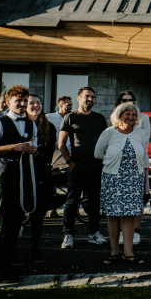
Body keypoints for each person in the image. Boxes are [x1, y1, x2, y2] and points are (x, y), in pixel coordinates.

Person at [0, 84, 37, 282]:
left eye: (25, 100)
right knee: (0, 221)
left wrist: (34, 150)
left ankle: (9, 262)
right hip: (4, 175)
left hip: (23, 176)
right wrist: (13, 147)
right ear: (8, 102)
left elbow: (34, 146)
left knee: (16, 219)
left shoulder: (31, 124)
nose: (22, 104)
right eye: (18, 100)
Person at [94, 101, 148, 265]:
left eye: (133, 115)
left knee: (129, 215)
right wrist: (113, 161)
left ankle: (128, 253)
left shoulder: (139, 133)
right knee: (113, 215)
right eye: (127, 114)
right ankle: (114, 253)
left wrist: (145, 181)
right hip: (113, 178)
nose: (131, 117)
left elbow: (144, 156)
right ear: (119, 115)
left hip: (133, 179)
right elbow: (98, 153)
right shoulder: (109, 132)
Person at [58, 87, 109, 248]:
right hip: (77, 166)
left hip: (96, 166)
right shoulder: (70, 117)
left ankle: (94, 233)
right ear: (79, 98)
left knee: (94, 201)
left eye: (93, 96)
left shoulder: (99, 118)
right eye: (87, 96)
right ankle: (68, 235)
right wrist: (70, 162)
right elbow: (61, 143)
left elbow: (106, 141)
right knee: (72, 201)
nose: (90, 99)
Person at [24, 94, 59, 264]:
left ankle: (35, 250)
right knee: (16, 215)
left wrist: (37, 152)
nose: (36, 105)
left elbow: (48, 154)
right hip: (22, 174)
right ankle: (11, 251)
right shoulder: (19, 124)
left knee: (38, 215)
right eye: (32, 103)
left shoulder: (48, 127)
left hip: (41, 174)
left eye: (38, 102)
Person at [115, 90, 150, 245]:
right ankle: (122, 231)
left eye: (130, 100)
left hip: (138, 163)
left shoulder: (144, 118)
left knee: (138, 198)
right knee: (120, 197)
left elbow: (144, 141)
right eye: (124, 100)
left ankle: (136, 231)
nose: (127, 102)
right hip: (118, 164)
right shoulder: (115, 118)